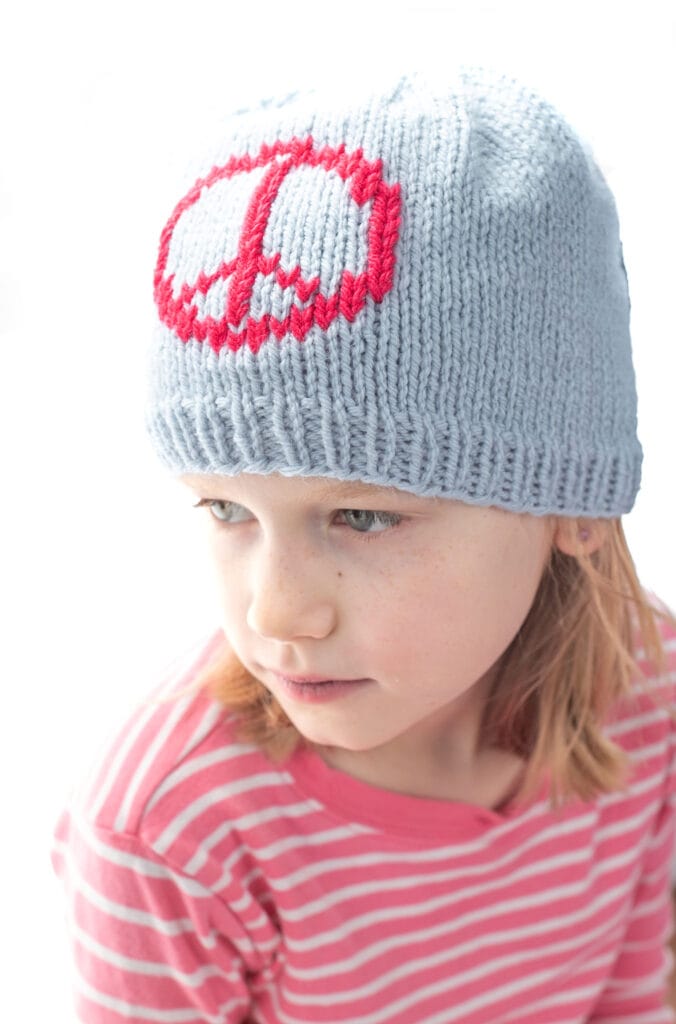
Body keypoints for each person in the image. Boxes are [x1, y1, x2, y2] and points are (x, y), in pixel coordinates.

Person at [51, 66, 676, 1022]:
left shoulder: (651, 698)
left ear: (573, 504)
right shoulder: (169, 833)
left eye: (364, 516)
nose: (276, 611)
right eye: (226, 510)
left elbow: (631, 998)